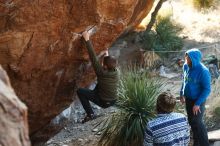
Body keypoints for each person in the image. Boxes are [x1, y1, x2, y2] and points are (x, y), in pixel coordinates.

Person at [77, 31, 119, 123]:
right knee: (101, 83)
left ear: (105, 66)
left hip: (104, 102)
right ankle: (91, 112)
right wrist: (106, 54)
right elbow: (109, 63)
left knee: (80, 91)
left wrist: (87, 39)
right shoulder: (116, 71)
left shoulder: (101, 73)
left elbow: (93, 57)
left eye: (104, 63)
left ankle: (90, 114)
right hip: (113, 100)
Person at [180, 48, 211, 146]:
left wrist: (197, 103)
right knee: (191, 121)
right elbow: (184, 80)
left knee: (197, 122)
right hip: (188, 99)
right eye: (186, 57)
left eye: (188, 58)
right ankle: (196, 143)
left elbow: (207, 89)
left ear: (194, 59)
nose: (186, 60)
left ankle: (205, 144)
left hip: (199, 100)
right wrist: (182, 93)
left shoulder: (203, 71)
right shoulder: (185, 66)